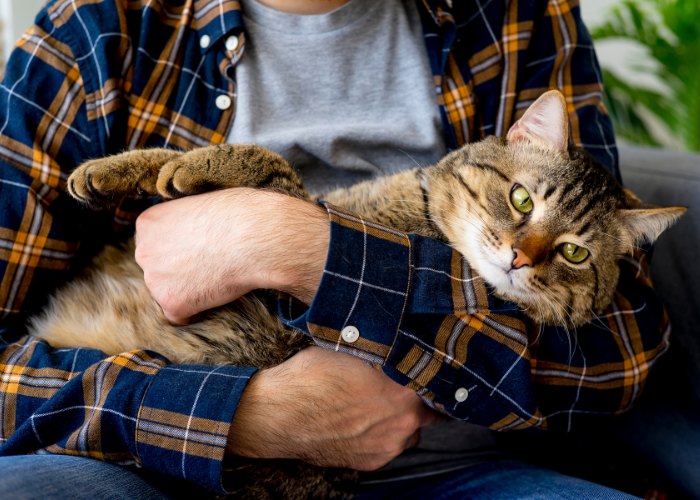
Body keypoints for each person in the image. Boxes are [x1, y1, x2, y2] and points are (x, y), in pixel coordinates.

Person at [0, 0, 667, 497]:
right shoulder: (96, 33)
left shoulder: (517, 15)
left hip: (458, 472)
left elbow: (618, 351)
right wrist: (239, 418)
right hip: (160, 469)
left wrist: (309, 251)